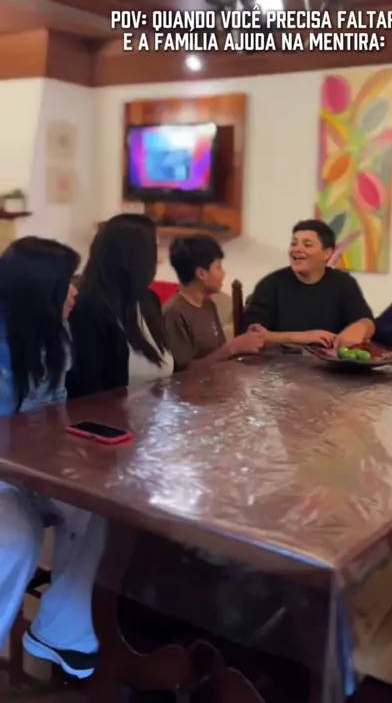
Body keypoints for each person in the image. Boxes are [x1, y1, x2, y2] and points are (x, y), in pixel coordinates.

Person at [0, 237, 105, 678]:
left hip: (35, 468)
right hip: (6, 474)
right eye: (67, 284)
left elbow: (54, 408)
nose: (75, 292)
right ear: (40, 291)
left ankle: (60, 630)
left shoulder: (57, 332)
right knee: (16, 539)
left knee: (95, 507)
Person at [67, 214, 173, 398]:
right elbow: (87, 392)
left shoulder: (149, 299)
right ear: (131, 257)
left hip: (155, 412)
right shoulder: (88, 308)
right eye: (154, 250)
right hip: (110, 413)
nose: (159, 259)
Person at [243, 219, 374, 347]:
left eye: (307, 245)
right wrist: (300, 337)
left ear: (327, 253)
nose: (297, 249)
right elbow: (250, 336)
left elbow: (367, 322)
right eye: (294, 244)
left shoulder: (344, 283)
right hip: (280, 359)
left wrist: (360, 327)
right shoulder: (270, 285)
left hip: (331, 359)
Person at [164, 235, 265, 371]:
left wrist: (246, 339)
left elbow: (221, 354)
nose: (223, 274)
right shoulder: (174, 313)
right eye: (218, 267)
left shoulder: (208, 305)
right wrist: (232, 347)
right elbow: (182, 372)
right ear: (201, 273)